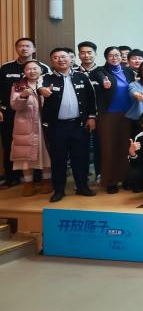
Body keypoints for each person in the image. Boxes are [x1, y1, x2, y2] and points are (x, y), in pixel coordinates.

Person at [40, 48, 97, 202]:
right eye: (56, 57)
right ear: (52, 61)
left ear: (71, 59)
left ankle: (82, 187)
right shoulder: (45, 78)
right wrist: (42, 90)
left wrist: (92, 117)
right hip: (56, 126)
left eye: (63, 56)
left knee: (81, 157)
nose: (60, 59)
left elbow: (91, 98)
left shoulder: (82, 76)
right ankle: (59, 190)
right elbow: (39, 88)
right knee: (58, 159)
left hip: (79, 125)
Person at [0, 37, 49, 188]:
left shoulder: (43, 68)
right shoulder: (6, 68)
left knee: (42, 144)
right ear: (16, 49)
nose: (24, 48)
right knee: (11, 145)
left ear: (34, 49)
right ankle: (12, 177)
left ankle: (39, 177)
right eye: (20, 46)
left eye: (28, 46)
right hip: (9, 112)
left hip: (39, 115)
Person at [92, 46, 136, 193]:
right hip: (108, 115)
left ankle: (126, 178)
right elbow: (100, 79)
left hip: (127, 114)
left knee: (125, 147)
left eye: (117, 55)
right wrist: (104, 83)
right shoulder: (100, 71)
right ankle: (110, 181)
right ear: (106, 57)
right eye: (111, 55)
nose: (114, 57)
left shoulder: (128, 71)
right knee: (109, 148)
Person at [9, 60, 52, 196]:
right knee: (25, 155)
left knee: (46, 153)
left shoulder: (48, 82)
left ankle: (47, 181)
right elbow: (14, 106)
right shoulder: (18, 86)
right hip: (25, 124)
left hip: (45, 124)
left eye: (35, 68)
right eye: (28, 69)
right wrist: (23, 96)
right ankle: (28, 183)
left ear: (41, 70)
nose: (32, 71)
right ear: (24, 71)